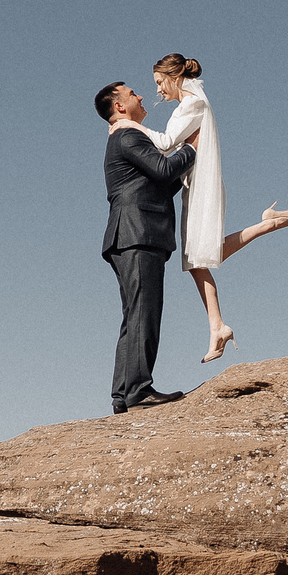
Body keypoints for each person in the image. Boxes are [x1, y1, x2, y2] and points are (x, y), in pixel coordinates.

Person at [133, 54, 288, 362]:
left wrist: (127, 126)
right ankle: (271, 224)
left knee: (198, 258)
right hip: (194, 186)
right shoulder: (189, 104)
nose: (158, 91)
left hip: (202, 188)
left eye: (160, 82)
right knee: (202, 257)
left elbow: (166, 142)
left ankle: (218, 326)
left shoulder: (193, 104)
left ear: (174, 77)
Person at [95, 80, 196, 413]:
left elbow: (157, 183)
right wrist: (194, 148)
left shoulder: (121, 139)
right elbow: (165, 169)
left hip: (129, 234)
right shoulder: (128, 135)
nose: (140, 96)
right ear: (120, 106)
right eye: (132, 93)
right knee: (144, 312)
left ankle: (123, 393)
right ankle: (138, 390)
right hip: (137, 233)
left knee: (135, 314)